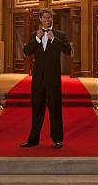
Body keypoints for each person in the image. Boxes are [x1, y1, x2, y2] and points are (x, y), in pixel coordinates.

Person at [19, 8, 72, 149]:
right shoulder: (34, 35)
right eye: (45, 18)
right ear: (41, 19)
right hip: (37, 78)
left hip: (53, 78)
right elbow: (26, 51)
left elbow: (68, 51)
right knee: (36, 109)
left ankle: (57, 140)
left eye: (49, 18)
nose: (47, 20)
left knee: (55, 109)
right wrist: (37, 39)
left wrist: (53, 39)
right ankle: (33, 139)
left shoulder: (60, 34)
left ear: (52, 19)